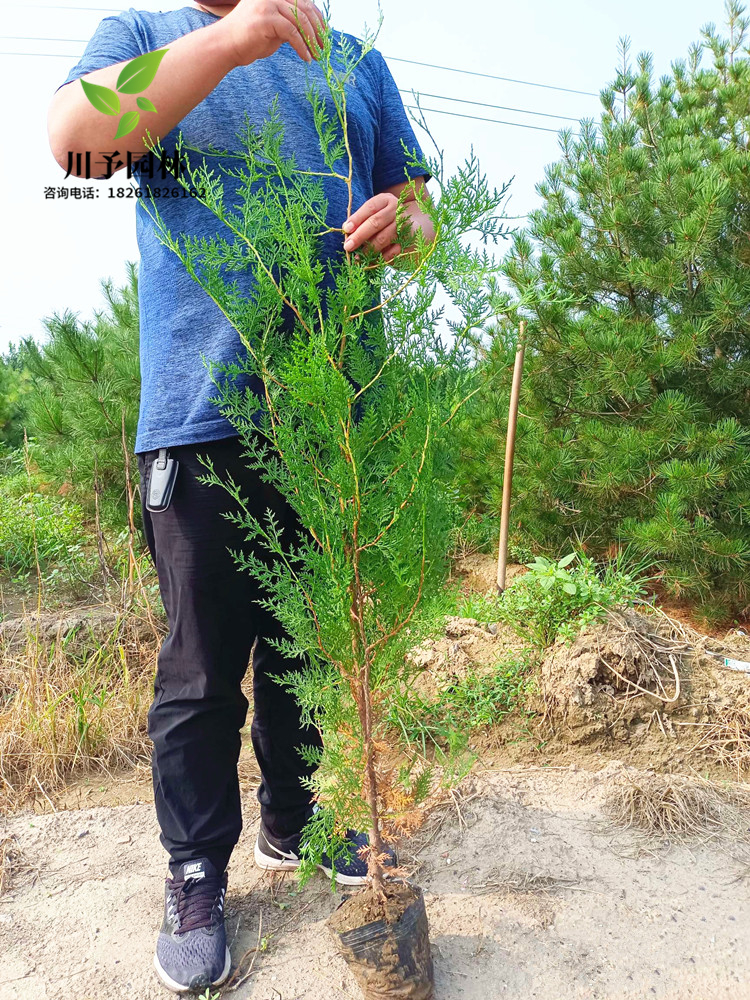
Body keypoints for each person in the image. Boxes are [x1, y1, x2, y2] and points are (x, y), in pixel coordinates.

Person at [48, 0, 434, 993]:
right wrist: (237, 39)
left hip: (335, 414)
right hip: (200, 412)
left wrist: (407, 224)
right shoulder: (143, 38)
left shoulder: (355, 64)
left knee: (309, 648)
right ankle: (194, 872)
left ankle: (293, 821)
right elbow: (79, 146)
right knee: (201, 672)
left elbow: (417, 210)